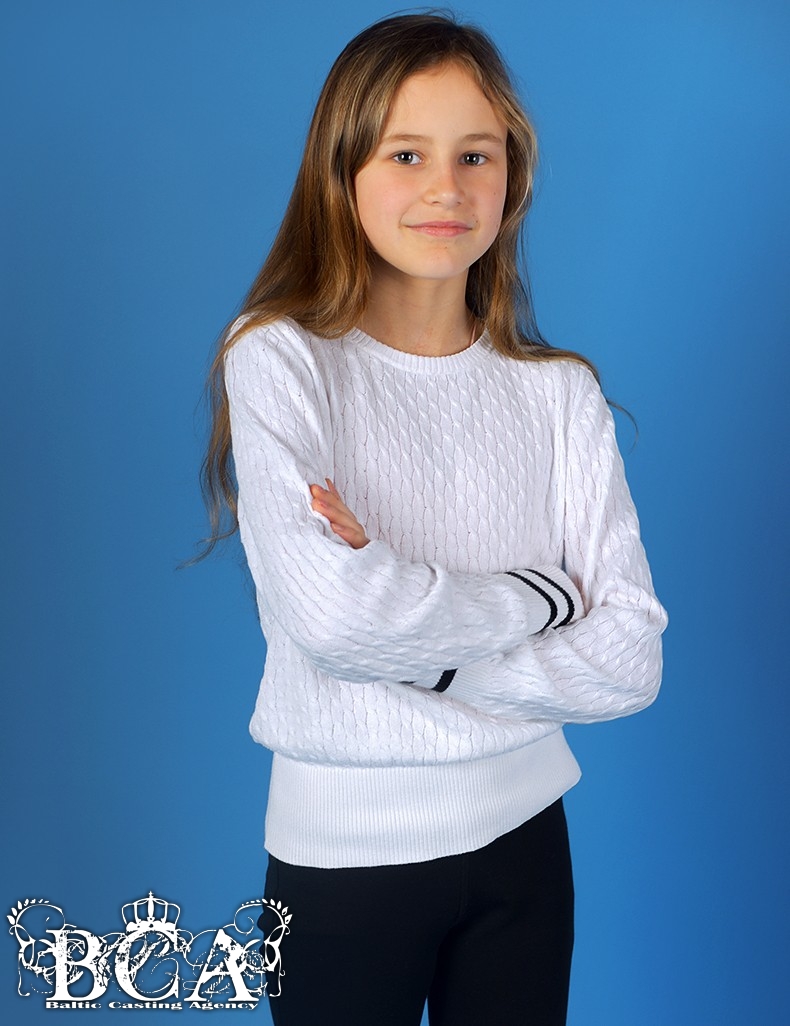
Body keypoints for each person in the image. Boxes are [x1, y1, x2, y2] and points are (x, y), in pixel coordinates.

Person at [200, 12, 668, 1026]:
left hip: (527, 844)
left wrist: (428, 653)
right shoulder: (279, 357)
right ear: (342, 173)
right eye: (406, 154)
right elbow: (335, 620)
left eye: (475, 155)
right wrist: (541, 596)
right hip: (343, 864)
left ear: (512, 177)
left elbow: (632, 658)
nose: (446, 188)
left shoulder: (558, 394)